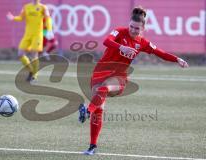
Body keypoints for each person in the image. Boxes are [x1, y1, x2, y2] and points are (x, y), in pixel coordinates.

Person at [78, 6, 189, 155]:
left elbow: (159, 52)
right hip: (101, 72)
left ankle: (86, 111)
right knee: (99, 108)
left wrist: (177, 59)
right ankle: (92, 146)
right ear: (128, 24)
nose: (133, 30)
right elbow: (106, 41)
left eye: (137, 29)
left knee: (103, 90)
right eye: (131, 27)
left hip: (119, 77)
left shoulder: (142, 42)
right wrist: (121, 47)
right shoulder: (119, 31)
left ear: (143, 28)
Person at [6, 0, 54, 82]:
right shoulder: (27, 7)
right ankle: (31, 71)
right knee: (20, 54)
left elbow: (48, 18)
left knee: (34, 55)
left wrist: (49, 30)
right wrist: (13, 18)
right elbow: (21, 17)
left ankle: (34, 75)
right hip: (27, 35)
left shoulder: (43, 7)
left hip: (37, 35)